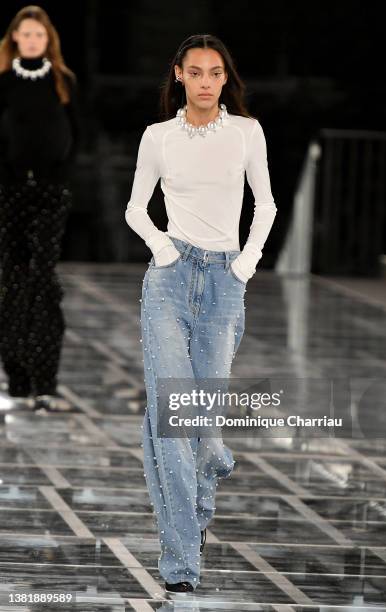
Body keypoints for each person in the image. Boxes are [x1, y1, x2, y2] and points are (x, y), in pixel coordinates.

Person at [125, 33, 277, 593]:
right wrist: (164, 251)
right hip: (167, 281)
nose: (207, 81)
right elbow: (136, 208)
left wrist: (243, 268)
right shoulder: (158, 137)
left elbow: (265, 203)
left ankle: (212, 455)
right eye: (197, 71)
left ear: (224, 78)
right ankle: (182, 563)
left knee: (199, 425)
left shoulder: (246, 132)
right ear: (180, 75)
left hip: (223, 283)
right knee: (171, 420)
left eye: (216, 72)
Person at [0, 6, 80, 412]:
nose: (32, 41)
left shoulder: (63, 82)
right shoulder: (3, 82)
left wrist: (59, 178)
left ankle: (44, 379)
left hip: (50, 192)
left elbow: (75, 134)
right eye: (25, 34)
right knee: (13, 281)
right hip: (10, 192)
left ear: (48, 40)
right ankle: (16, 377)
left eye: (39, 35)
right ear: (15, 38)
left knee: (43, 280)